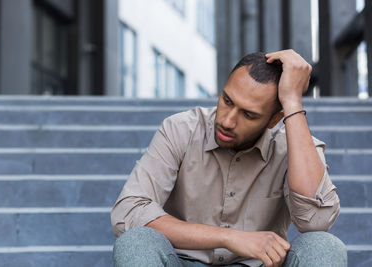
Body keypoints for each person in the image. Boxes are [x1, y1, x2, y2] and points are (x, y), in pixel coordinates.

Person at [111, 50, 347, 267]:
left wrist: (293, 104)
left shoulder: (294, 144)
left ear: (275, 120)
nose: (227, 121)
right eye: (227, 100)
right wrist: (230, 237)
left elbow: (316, 222)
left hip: (257, 264)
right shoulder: (181, 129)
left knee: (324, 247)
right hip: (182, 261)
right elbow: (129, 212)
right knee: (136, 241)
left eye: (248, 114)